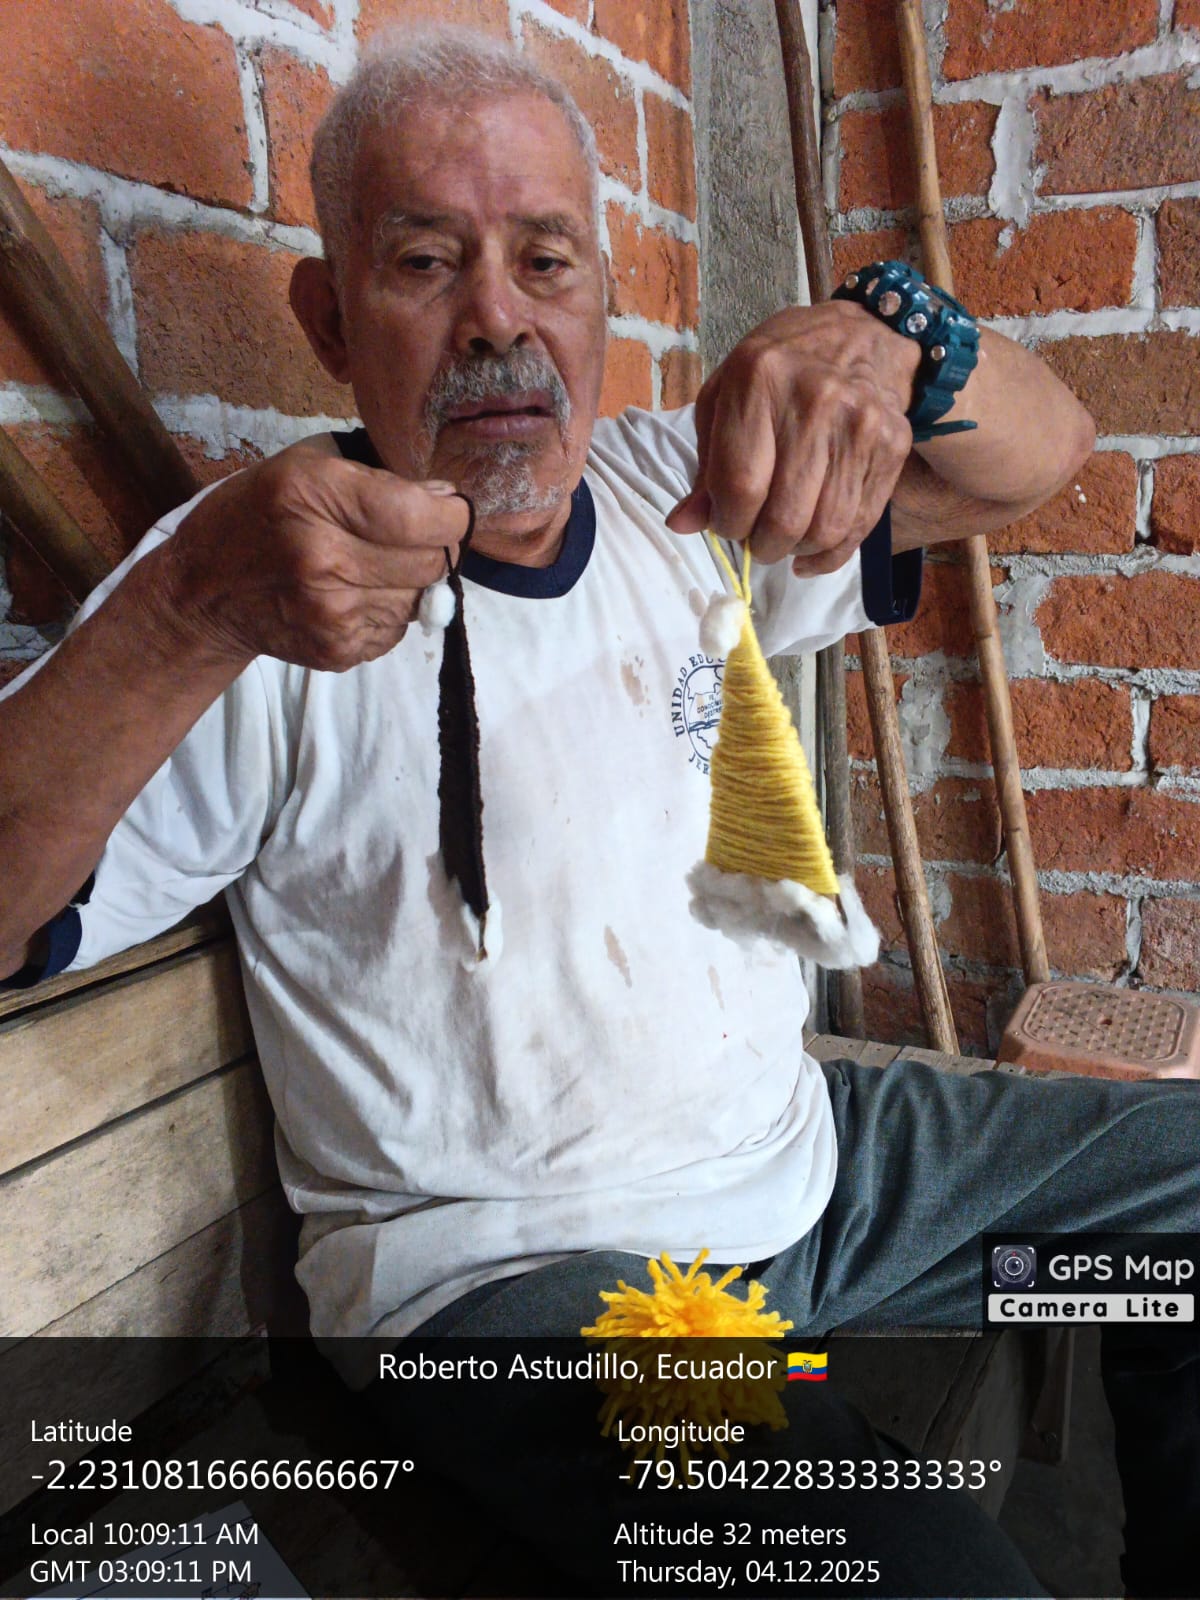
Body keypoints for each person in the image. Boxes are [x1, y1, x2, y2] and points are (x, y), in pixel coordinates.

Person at [0, 26, 1194, 1600]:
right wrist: (185, 615)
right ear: (330, 320)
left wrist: (897, 338)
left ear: (604, 298)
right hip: (530, 1294)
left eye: (545, 261)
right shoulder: (250, 587)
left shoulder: (683, 494)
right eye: (426, 261)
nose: (498, 317)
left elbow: (1046, 458)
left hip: (825, 1193)